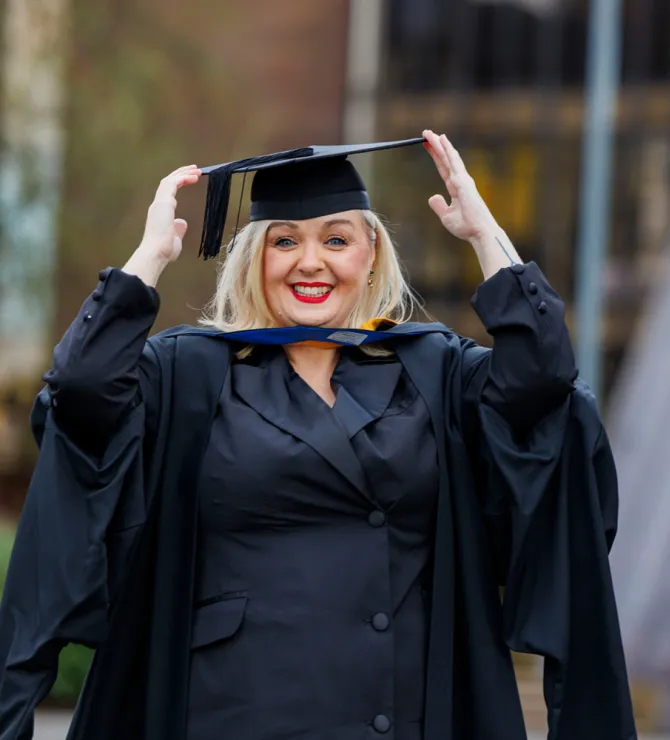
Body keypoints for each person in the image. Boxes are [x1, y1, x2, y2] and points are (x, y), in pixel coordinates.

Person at [0, 131, 636, 740]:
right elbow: (82, 390)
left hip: (397, 712)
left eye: (337, 239)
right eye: (285, 241)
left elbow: (542, 383)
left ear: (371, 252)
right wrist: (149, 260)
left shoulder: (433, 370)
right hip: (228, 713)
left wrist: (486, 236)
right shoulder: (188, 373)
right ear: (255, 256)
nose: (311, 262)